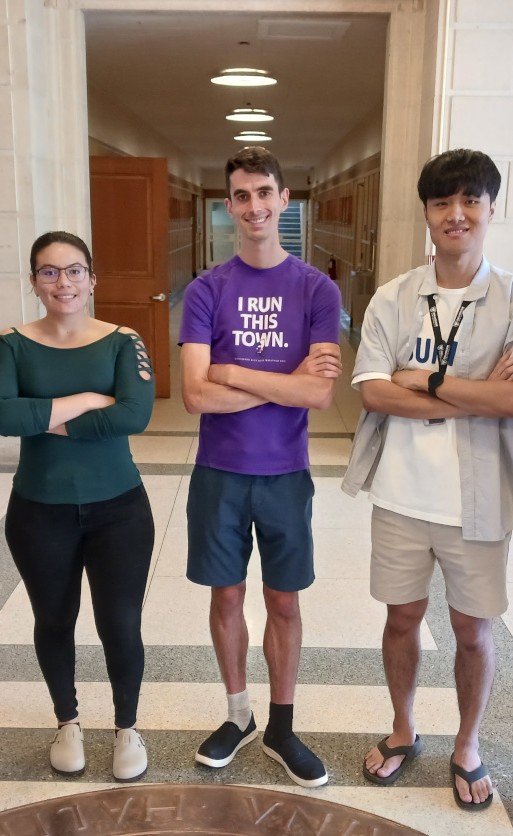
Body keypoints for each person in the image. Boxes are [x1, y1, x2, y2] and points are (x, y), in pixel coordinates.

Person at [342, 149, 513, 808]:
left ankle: (468, 743)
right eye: (442, 204)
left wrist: (428, 379)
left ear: (491, 209)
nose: (456, 215)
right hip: (402, 495)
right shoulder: (394, 297)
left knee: (472, 630)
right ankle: (404, 728)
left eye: (470, 202)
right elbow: (375, 393)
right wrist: (475, 391)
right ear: (428, 214)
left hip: (480, 498)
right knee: (401, 618)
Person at [180, 147, 342, 787]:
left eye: (265, 193)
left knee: (284, 600)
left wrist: (234, 372)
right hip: (219, 471)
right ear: (230, 205)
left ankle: (281, 724)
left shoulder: (316, 289)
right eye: (242, 196)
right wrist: (284, 381)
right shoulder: (205, 290)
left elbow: (322, 394)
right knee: (227, 594)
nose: (255, 207)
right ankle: (238, 714)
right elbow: (194, 395)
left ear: (284, 200)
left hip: (284, 474)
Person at [0, 231, 155, 782]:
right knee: (53, 618)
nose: (64, 282)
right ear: (33, 281)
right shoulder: (9, 344)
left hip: (119, 510)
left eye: (75, 270)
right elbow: (0, 418)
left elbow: (133, 416)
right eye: (50, 272)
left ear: (93, 278)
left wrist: (44, 416)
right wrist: (84, 401)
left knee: (120, 623)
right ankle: (67, 721)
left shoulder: (124, 340)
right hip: (39, 508)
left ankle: (127, 726)